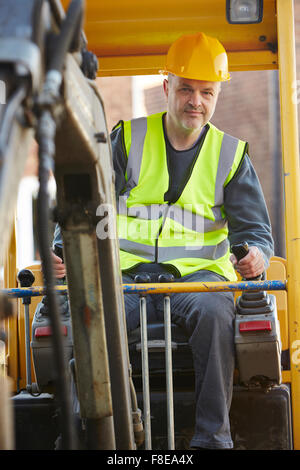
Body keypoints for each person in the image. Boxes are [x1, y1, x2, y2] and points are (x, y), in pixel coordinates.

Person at [52, 32, 273, 449]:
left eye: (207, 92)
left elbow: (255, 232)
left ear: (217, 95)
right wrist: (65, 248)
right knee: (94, 317)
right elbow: (84, 201)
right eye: (186, 89)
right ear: (167, 86)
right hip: (126, 279)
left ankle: (212, 440)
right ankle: (99, 436)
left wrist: (257, 255)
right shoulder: (127, 139)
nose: (196, 101)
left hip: (197, 282)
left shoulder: (231, 154)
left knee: (217, 314)